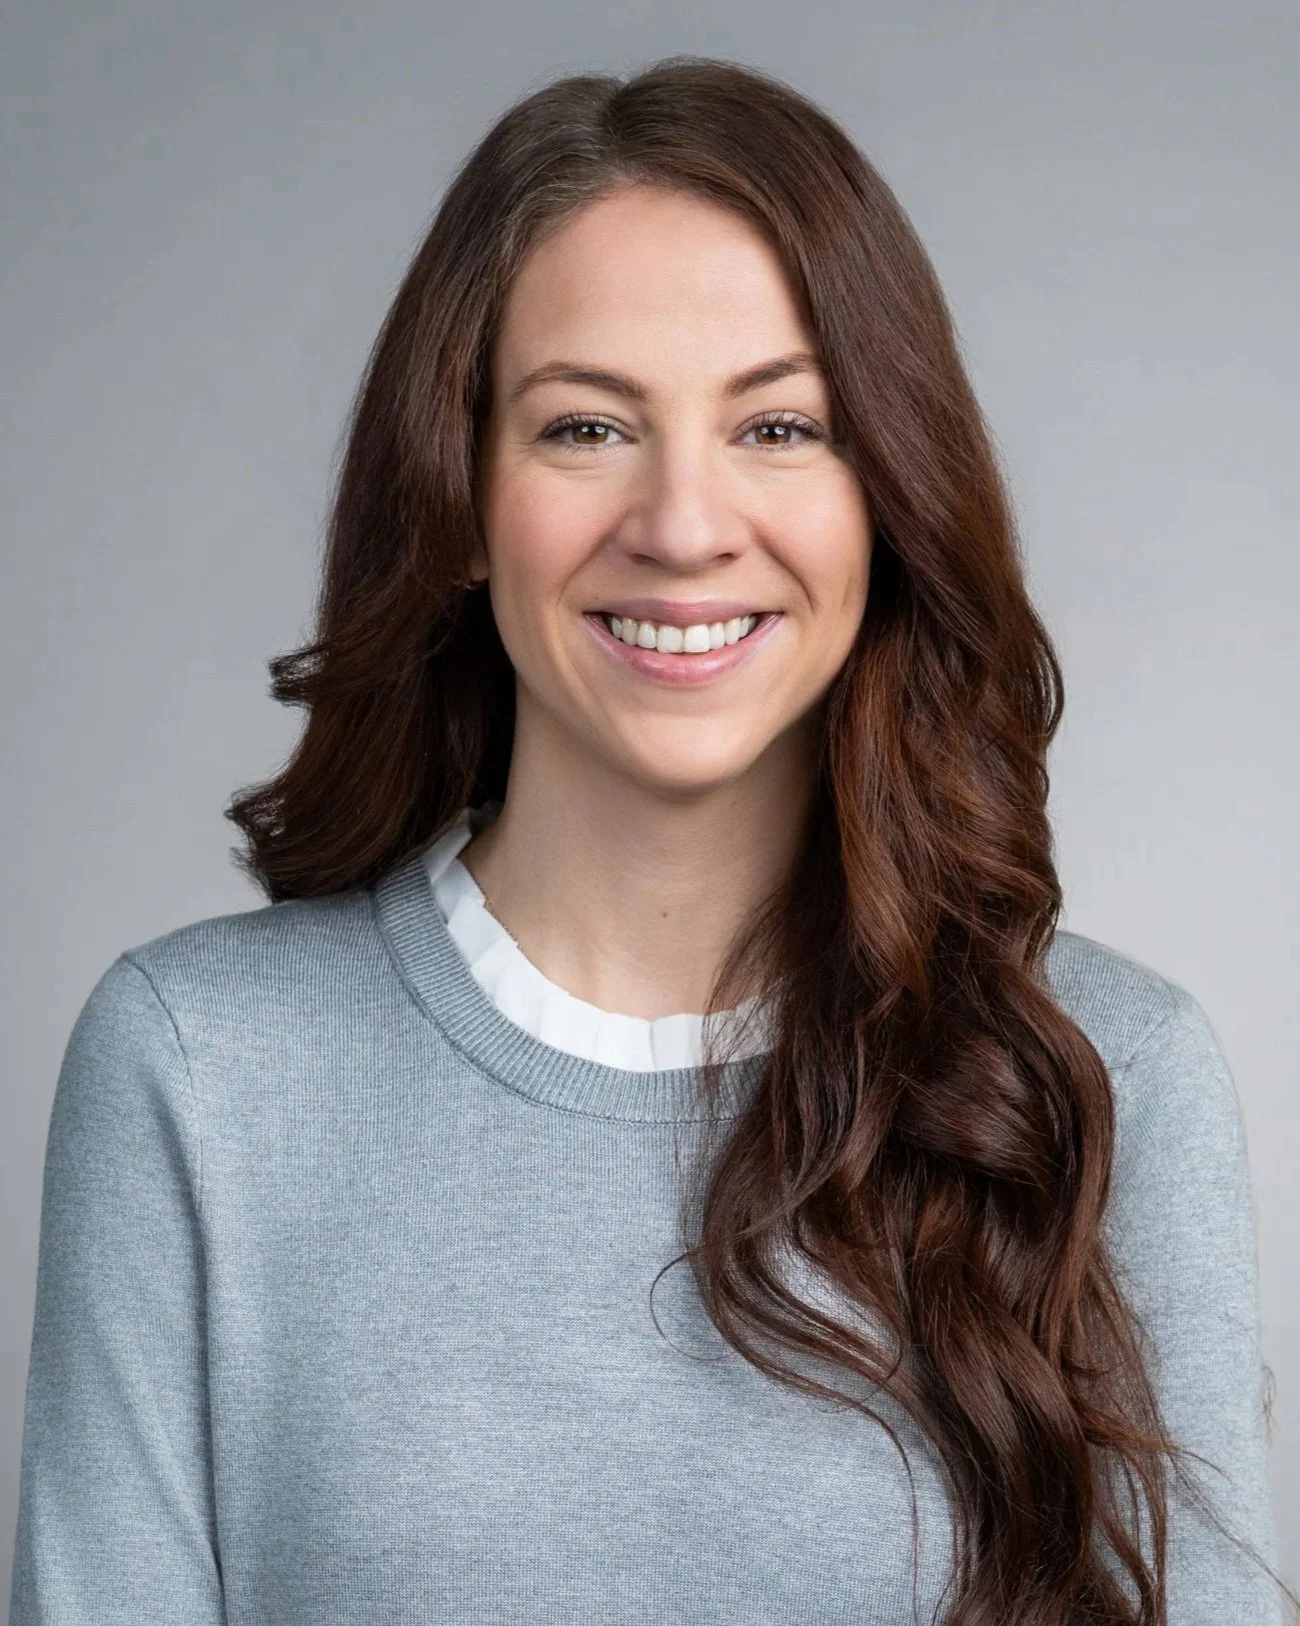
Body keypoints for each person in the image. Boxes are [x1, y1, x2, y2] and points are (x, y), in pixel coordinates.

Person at [9, 55, 1291, 1626]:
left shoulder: (1106, 1080)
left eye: (780, 426)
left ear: (884, 495)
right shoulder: (197, 1078)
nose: (684, 524)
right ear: (462, 493)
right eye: (587, 428)